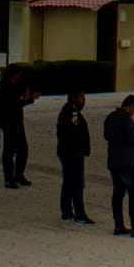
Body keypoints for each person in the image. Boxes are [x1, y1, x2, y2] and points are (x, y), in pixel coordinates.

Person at [105, 93, 134, 237]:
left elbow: (106, 136)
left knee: (118, 194)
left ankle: (118, 225)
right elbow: (131, 138)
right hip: (127, 162)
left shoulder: (110, 118)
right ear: (131, 106)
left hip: (114, 162)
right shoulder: (126, 120)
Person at [55, 89, 93, 224]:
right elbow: (75, 129)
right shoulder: (73, 113)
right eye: (82, 97)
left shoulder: (64, 111)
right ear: (74, 98)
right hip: (73, 153)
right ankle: (79, 214)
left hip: (65, 152)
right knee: (77, 184)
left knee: (68, 182)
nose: (84, 100)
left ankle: (66, 211)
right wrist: (81, 148)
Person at [0, 66, 31, 188]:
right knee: (9, 153)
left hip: (17, 123)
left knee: (22, 150)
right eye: (16, 75)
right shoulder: (5, 89)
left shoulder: (15, 87)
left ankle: (19, 175)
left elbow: (17, 104)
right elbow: (12, 105)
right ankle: (9, 179)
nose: (18, 77)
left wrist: (27, 99)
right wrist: (26, 99)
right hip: (9, 124)